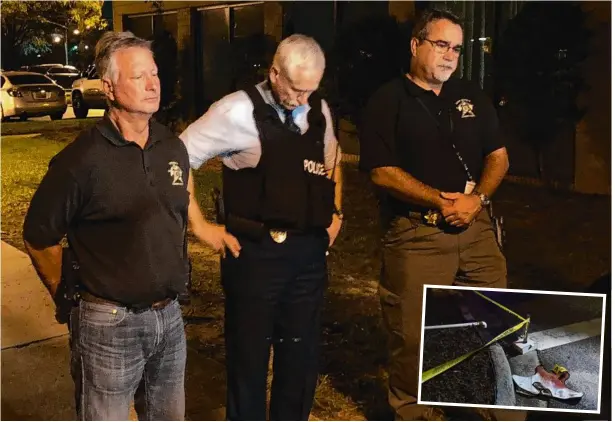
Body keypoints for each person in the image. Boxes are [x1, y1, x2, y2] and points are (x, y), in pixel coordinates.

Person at [359, 9, 522, 421]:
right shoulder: (387, 101)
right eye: (440, 45)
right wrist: (440, 201)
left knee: (494, 324)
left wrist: (477, 201)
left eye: (456, 48)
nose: (450, 55)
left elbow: (498, 157)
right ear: (416, 45)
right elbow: (381, 170)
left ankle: (494, 410)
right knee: (412, 336)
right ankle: (417, 414)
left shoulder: (472, 96)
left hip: (478, 232)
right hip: (418, 236)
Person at [23, 31, 190, 420]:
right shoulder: (80, 162)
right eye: (138, 77)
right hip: (108, 326)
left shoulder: (171, 147)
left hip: (169, 318)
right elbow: (38, 236)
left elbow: (177, 213)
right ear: (109, 88)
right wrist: (67, 296)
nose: (152, 85)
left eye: (155, 74)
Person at [179, 33, 343, 420]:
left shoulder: (319, 109)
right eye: (297, 89)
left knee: (300, 359)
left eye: (311, 89)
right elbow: (177, 158)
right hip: (255, 254)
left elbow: (333, 162)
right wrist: (200, 225)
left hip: (308, 256)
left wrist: (336, 215)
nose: (303, 99)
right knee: (249, 359)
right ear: (274, 73)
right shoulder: (236, 110)